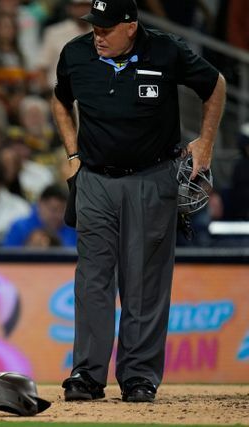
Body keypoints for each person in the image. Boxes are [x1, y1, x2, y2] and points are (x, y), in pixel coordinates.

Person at [51, 0, 226, 403]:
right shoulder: (76, 53)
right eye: (94, 25)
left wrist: (207, 143)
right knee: (91, 278)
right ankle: (87, 374)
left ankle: (139, 377)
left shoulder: (166, 50)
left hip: (152, 179)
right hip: (94, 179)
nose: (97, 34)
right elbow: (60, 98)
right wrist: (73, 154)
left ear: (130, 26)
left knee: (144, 281)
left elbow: (215, 84)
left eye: (106, 27)